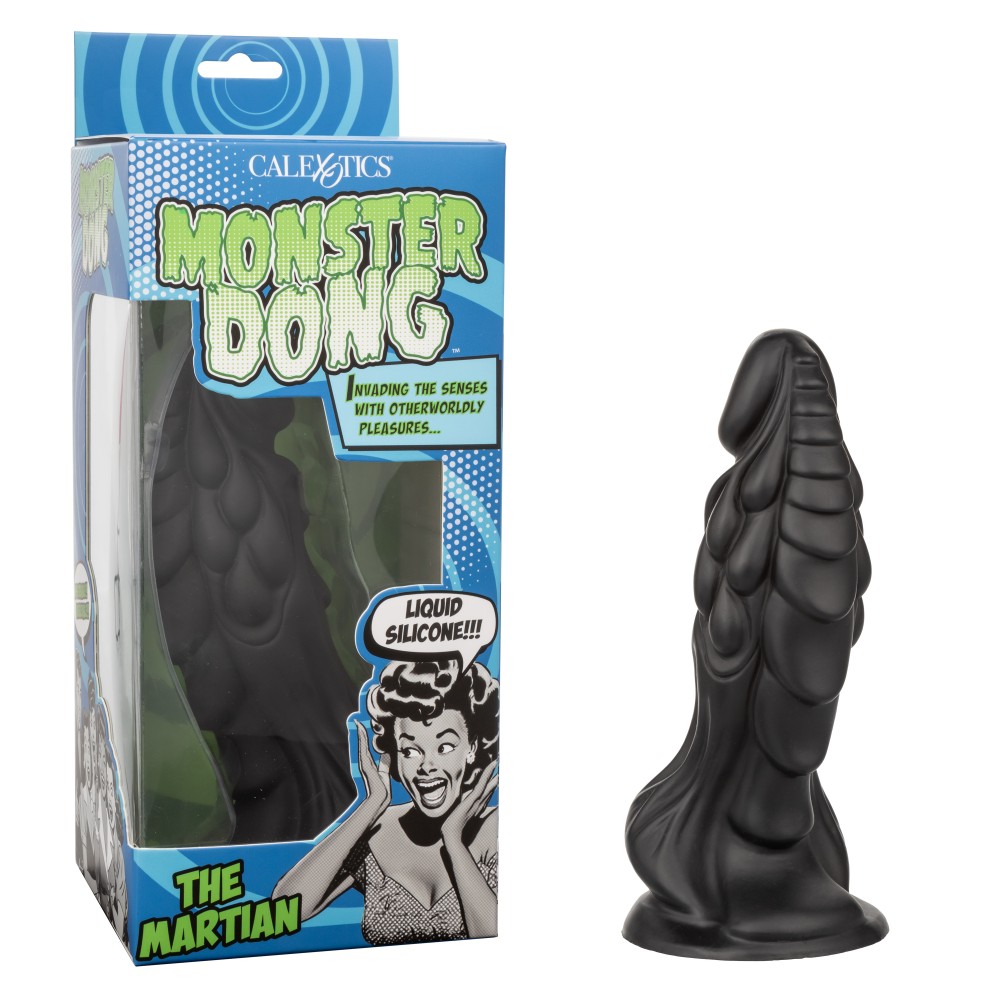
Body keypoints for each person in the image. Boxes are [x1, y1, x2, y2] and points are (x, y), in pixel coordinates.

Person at [273, 658, 499, 945]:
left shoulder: (495, 827)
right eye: (410, 751)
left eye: (444, 747)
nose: (426, 766)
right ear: (394, 754)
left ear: (472, 748)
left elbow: (490, 937)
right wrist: (371, 806)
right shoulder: (378, 830)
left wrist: (453, 840)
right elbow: (285, 909)